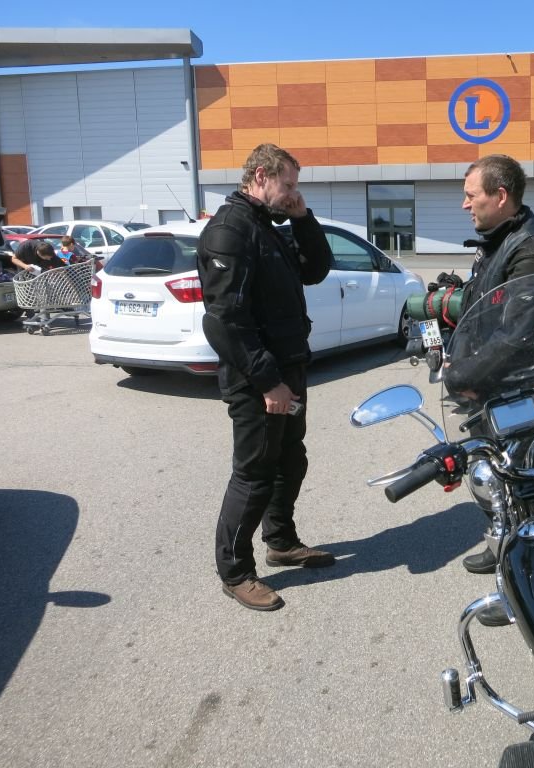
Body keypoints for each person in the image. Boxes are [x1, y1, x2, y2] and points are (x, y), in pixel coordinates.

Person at [198, 143, 335, 612]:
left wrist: (303, 218)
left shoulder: (266, 227)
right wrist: (267, 381)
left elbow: (315, 270)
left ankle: (281, 541)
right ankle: (235, 571)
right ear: (260, 175)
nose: (293, 192)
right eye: (288, 184)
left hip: (288, 371)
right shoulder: (230, 230)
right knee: (255, 474)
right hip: (258, 380)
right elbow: (223, 321)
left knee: (290, 460)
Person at [445, 154, 534, 574]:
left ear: (500, 196)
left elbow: (519, 336)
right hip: (493, 381)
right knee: (495, 471)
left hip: (519, 385)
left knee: (522, 476)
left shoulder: (531, 248)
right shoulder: (500, 239)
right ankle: (504, 540)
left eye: (471, 195)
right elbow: (487, 306)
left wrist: (464, 375)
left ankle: (529, 567)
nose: (465, 204)